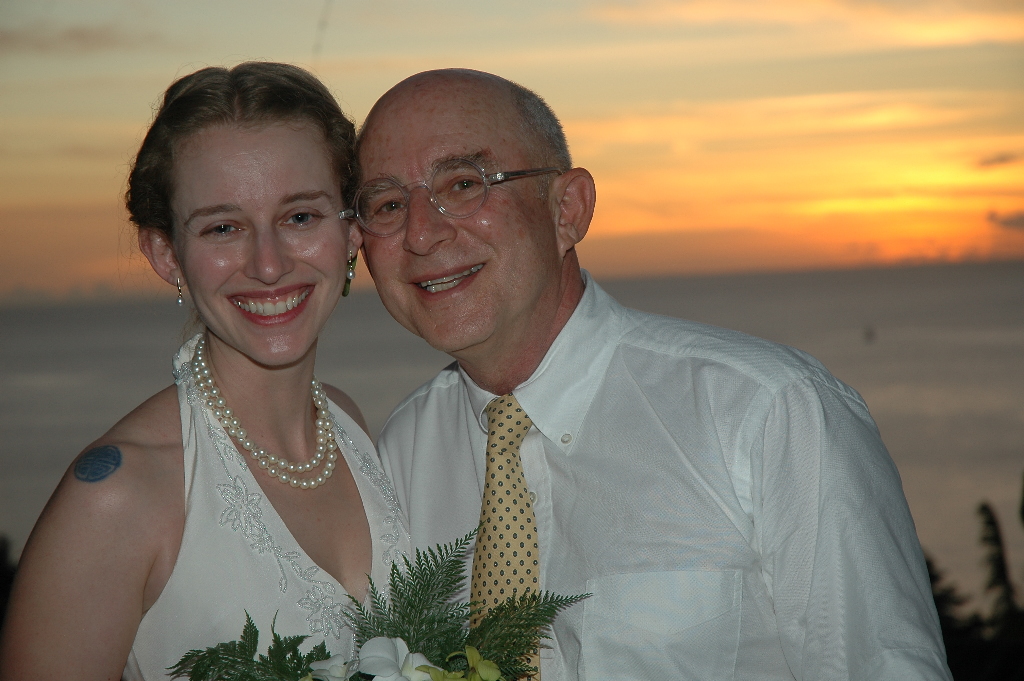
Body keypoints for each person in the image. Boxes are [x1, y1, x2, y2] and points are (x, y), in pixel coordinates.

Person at [355, 69, 952, 680]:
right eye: (388, 205)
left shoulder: (768, 414)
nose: (421, 233)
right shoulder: (400, 455)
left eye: (463, 184)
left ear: (568, 209)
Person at [0, 62, 410, 680]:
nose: (268, 264)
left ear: (351, 231)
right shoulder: (115, 498)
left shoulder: (346, 425)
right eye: (223, 228)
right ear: (167, 253)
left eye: (300, 217)